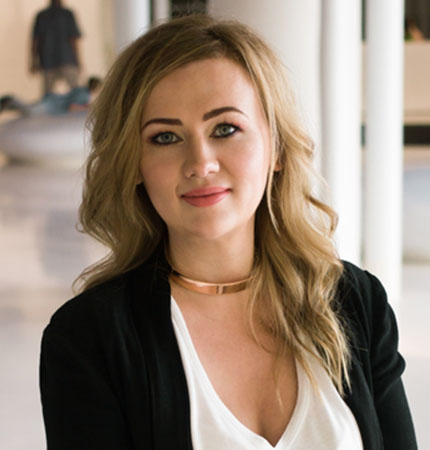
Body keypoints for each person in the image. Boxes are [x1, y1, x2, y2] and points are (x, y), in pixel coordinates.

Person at [39, 15, 417, 450]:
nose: (201, 163)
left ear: (276, 148)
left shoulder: (357, 303)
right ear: (134, 164)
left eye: (225, 129)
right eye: (165, 137)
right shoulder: (89, 339)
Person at [30, 0, 81, 95]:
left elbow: (35, 42)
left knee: (74, 93)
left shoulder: (65, 14)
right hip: (60, 60)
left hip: (53, 60)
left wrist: (33, 62)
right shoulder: (65, 14)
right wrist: (78, 61)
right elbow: (35, 41)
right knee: (75, 93)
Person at [0, 77, 101, 116]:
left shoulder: (81, 89)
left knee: (28, 109)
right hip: (52, 106)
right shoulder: (85, 95)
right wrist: (86, 107)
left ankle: (8, 104)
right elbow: (72, 107)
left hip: (52, 99)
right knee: (30, 111)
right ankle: (11, 100)